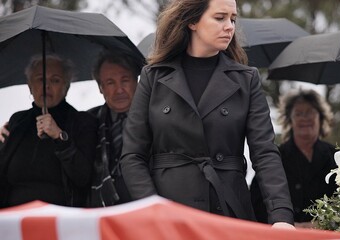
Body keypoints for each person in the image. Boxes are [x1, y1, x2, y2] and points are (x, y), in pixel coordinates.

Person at [120, 0, 294, 228]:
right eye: (220, 18)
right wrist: (153, 208)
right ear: (192, 21)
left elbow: (265, 154)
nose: (230, 26)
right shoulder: (153, 77)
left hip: (228, 210)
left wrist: (281, 216)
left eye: (233, 19)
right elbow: (132, 156)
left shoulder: (246, 79)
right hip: (167, 214)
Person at [0, 54, 98, 208]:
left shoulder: (82, 122)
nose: (46, 86)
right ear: (29, 86)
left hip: (60, 220)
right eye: (40, 79)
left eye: (55, 80)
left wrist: (60, 137)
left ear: (66, 86)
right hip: (14, 219)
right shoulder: (18, 121)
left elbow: (83, 177)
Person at [250, 89, 338, 226]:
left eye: (310, 112)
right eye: (298, 114)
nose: (304, 118)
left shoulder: (336, 156)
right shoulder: (274, 158)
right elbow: (257, 201)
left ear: (321, 118)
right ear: (289, 120)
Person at [87, 51, 140, 207]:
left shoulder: (157, 116)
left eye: (125, 80)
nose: (119, 90)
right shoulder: (89, 121)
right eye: (110, 83)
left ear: (137, 81)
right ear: (100, 87)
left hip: (150, 205)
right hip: (105, 209)